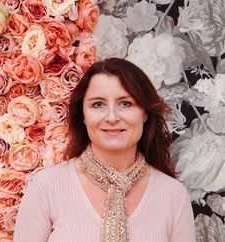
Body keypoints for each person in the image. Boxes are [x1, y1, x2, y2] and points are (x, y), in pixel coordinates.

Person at [14, 58, 195, 242]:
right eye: (98, 104)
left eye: (125, 103)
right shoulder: (46, 187)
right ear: (83, 116)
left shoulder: (173, 195)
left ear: (145, 113)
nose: (112, 117)